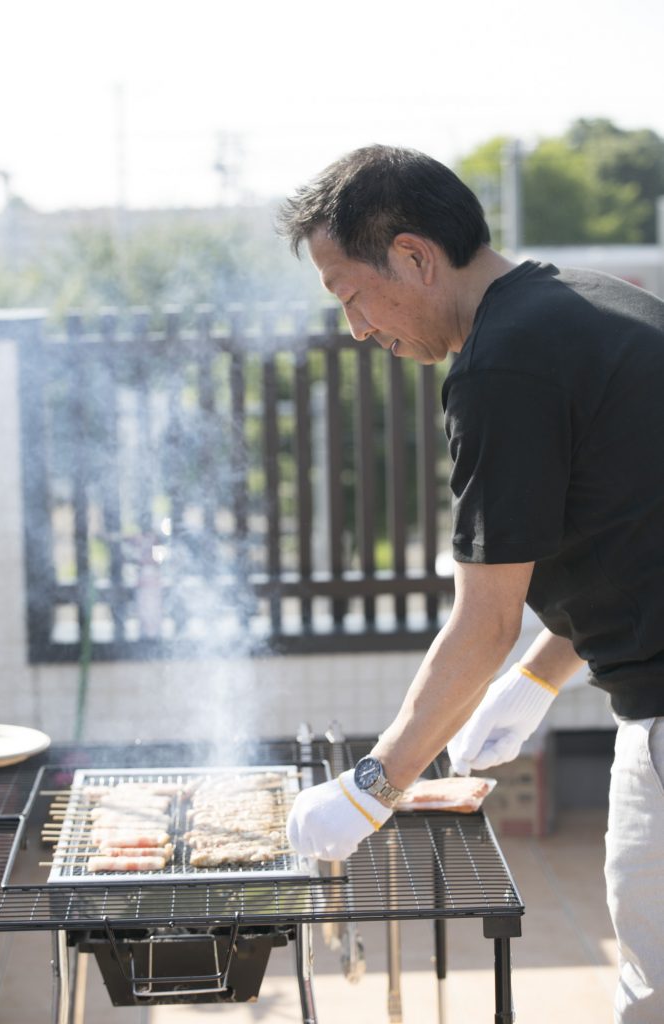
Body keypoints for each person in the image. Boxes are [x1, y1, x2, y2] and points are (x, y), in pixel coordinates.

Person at [277, 144, 664, 1024]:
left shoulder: (502, 366)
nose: (357, 329)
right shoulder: (596, 304)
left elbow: (482, 622)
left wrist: (373, 786)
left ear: (414, 256)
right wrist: (537, 681)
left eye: (350, 294)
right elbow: (635, 535)